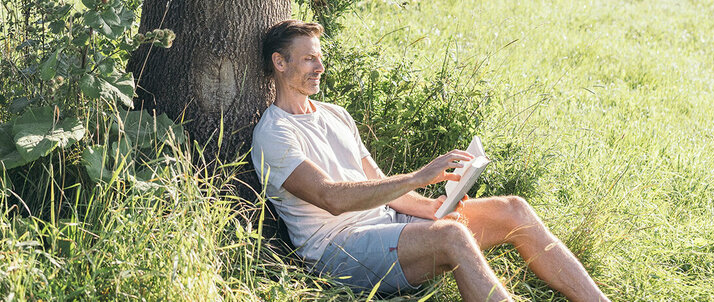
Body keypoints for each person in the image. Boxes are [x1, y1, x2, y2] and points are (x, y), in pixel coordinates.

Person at [251, 19, 610, 302]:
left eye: (320, 57)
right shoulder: (273, 132)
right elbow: (331, 197)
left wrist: (433, 207)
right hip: (339, 249)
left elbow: (380, 186)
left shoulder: (335, 114)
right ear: (280, 63)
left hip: (388, 223)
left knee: (512, 209)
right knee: (451, 235)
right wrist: (416, 177)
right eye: (309, 58)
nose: (320, 66)